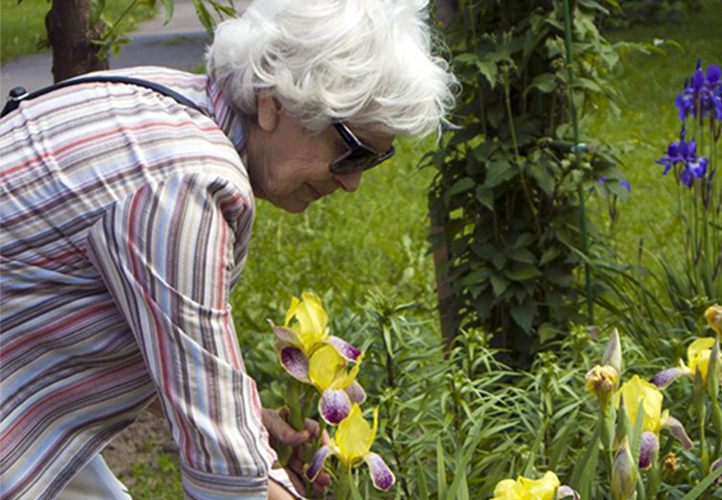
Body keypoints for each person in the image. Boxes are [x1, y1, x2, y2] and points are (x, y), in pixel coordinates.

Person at [0, 0, 455, 498]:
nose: (352, 182)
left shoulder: (177, 102)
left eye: (376, 158)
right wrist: (259, 467)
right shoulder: (184, 186)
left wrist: (247, 414)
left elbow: (142, 330)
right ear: (272, 102)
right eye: (352, 149)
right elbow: (228, 471)